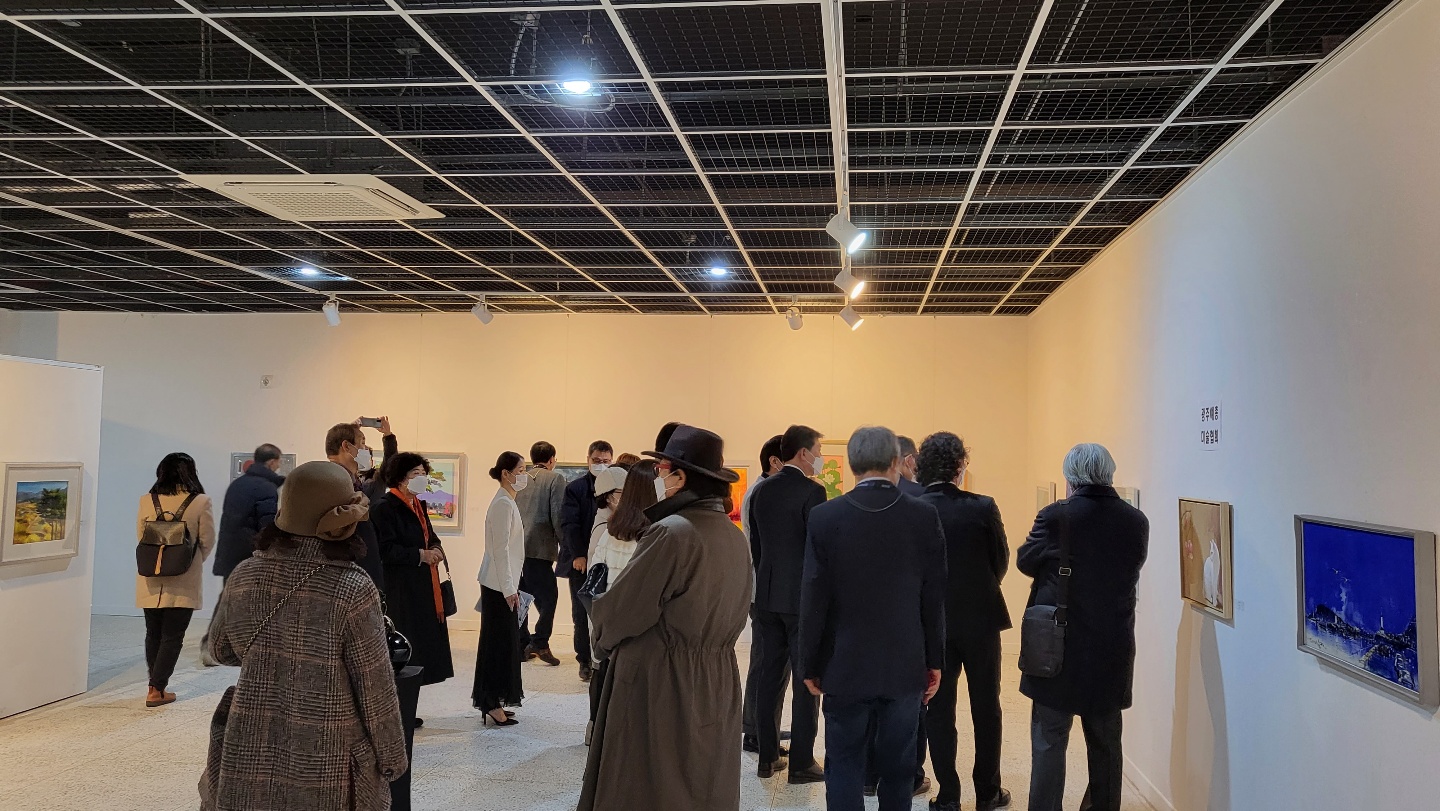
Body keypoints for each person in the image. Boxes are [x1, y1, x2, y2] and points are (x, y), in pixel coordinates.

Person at [201, 461, 406, 811]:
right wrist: (392, 757)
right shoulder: (352, 587)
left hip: (250, 743)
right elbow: (374, 687)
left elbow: (222, 651)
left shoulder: (245, 574)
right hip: (329, 752)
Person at [579, 425, 751, 811]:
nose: (658, 478)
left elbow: (622, 611)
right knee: (705, 782)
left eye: (662, 471)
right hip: (717, 681)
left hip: (661, 681)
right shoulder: (733, 536)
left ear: (680, 477)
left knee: (651, 784)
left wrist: (600, 640)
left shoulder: (671, 534)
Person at [799, 426, 945, 811]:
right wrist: (934, 660)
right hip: (905, 662)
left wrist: (809, 662)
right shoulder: (923, 515)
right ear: (896, 461)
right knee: (899, 765)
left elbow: (813, 597)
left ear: (851, 465)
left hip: (843, 662)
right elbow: (933, 597)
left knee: (844, 761)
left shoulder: (825, 516)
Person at [1019, 443, 1148, 811]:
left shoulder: (1057, 516)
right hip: (1111, 646)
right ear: (1109, 474)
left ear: (1070, 477)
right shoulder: (1136, 521)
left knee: (1049, 741)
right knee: (1106, 744)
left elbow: (1026, 561)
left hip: (1057, 645)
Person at [918, 432, 1012, 811]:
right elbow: (1000, 561)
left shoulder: (914, 509)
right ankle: (988, 792)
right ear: (959, 466)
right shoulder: (982, 506)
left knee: (938, 708)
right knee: (987, 706)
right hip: (980, 620)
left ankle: (948, 794)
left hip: (932, 624)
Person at [749, 424, 828, 783]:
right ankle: (801, 762)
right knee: (806, 680)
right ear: (803, 452)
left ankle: (767, 758)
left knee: (769, 676)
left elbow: (757, 545)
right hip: (801, 599)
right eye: (818, 451)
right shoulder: (813, 491)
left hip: (766, 597)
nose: (819, 458)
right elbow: (818, 549)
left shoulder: (761, 490)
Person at [372, 452, 455, 723]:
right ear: (401, 477)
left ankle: (407, 710)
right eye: (415, 473)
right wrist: (420, 555)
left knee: (418, 651)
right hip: (401, 590)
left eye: (423, 473)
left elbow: (431, 536)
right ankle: (394, 713)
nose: (421, 478)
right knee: (401, 653)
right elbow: (385, 550)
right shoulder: (385, 507)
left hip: (422, 588)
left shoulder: (417, 504)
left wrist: (436, 549)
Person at [135, 452, 216, 707]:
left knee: (153, 633)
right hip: (184, 580)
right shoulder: (200, 501)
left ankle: (154, 685)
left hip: (151, 577)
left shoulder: (147, 500)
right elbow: (207, 540)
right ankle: (157, 689)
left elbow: (141, 536)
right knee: (173, 635)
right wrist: (190, 562)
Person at [204, 443, 284, 667]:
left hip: (230, 551)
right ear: (272, 462)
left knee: (227, 597)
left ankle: (211, 645)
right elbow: (267, 526)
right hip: (250, 554)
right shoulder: (266, 488)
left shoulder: (238, 485)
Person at [580, 463, 641, 740]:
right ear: (609, 496)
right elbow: (596, 576)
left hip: (607, 615)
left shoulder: (615, 525)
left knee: (604, 671)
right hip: (609, 614)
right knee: (604, 672)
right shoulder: (606, 527)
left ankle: (599, 729)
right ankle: (597, 729)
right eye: (621, 492)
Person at [473, 451, 528, 726]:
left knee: (501, 644)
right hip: (498, 586)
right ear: (506, 473)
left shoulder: (507, 501)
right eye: (520, 470)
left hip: (501, 583)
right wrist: (509, 588)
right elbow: (500, 549)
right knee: (497, 645)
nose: (524, 476)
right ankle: (491, 702)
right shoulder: (503, 504)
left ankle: (493, 700)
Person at [741, 433, 786, 754]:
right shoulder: (761, 492)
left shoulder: (763, 490)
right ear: (774, 461)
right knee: (767, 662)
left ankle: (762, 726)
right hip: (764, 591)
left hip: (767, 588)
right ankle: (756, 731)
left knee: (771, 663)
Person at [560, 439, 614, 682]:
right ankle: (584, 660)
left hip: (607, 560)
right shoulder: (576, 488)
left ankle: (603, 658)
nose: (601, 465)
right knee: (581, 613)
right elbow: (569, 524)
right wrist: (578, 554)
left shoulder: (615, 487)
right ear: (588, 460)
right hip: (581, 562)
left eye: (606, 461)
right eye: (597, 461)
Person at [516, 440, 565, 667]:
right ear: (552, 459)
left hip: (518, 549)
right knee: (549, 599)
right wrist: (566, 546)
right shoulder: (555, 479)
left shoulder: (520, 479)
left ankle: (522, 644)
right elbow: (558, 515)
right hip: (540, 549)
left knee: (522, 598)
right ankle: (540, 642)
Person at [325, 421, 386, 588]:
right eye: (362, 443)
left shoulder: (348, 481)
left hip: (357, 574)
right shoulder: (334, 483)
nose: (365, 450)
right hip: (348, 578)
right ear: (346, 446)